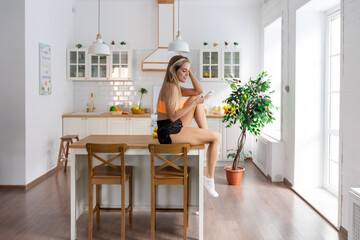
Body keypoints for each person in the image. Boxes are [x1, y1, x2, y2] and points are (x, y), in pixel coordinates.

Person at [156, 55, 221, 197]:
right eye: (184, 71)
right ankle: (208, 178)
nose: (187, 74)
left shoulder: (176, 86)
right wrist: (195, 103)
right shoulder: (170, 87)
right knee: (217, 137)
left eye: (188, 71)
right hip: (168, 132)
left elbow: (198, 91)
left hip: (174, 126)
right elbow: (173, 116)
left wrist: (189, 71)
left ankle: (208, 140)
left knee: (194, 98)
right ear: (174, 70)